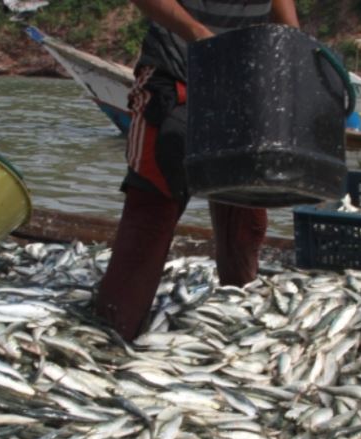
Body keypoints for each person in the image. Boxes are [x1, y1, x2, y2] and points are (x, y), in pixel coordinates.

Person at [95, 0, 300, 341]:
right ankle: (113, 336)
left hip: (244, 87)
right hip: (175, 77)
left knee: (245, 217)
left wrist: (292, 47)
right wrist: (200, 36)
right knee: (153, 207)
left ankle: (238, 322)